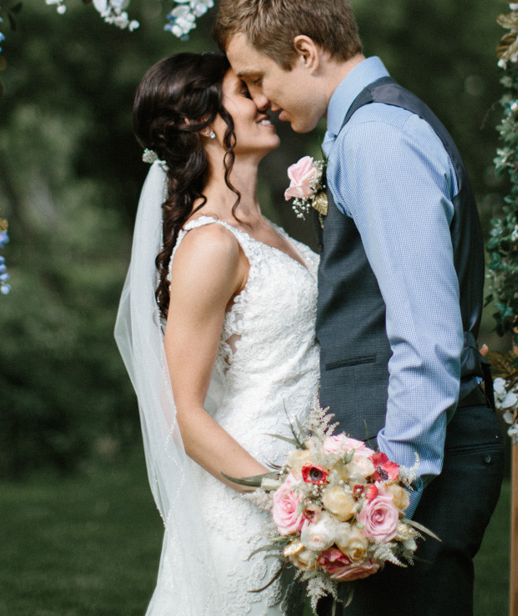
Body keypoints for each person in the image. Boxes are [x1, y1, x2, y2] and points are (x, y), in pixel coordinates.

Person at [215, 0, 506, 616]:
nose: (257, 100)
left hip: (403, 484)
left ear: (306, 51)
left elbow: (425, 336)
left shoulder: (378, 139)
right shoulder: (365, 131)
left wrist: (386, 500)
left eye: (259, 79)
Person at [117, 51, 318, 616]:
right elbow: (183, 412)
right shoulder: (210, 245)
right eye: (244, 90)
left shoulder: (269, 231)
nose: (263, 100)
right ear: (199, 122)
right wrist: (287, 496)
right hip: (248, 501)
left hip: (308, 482)